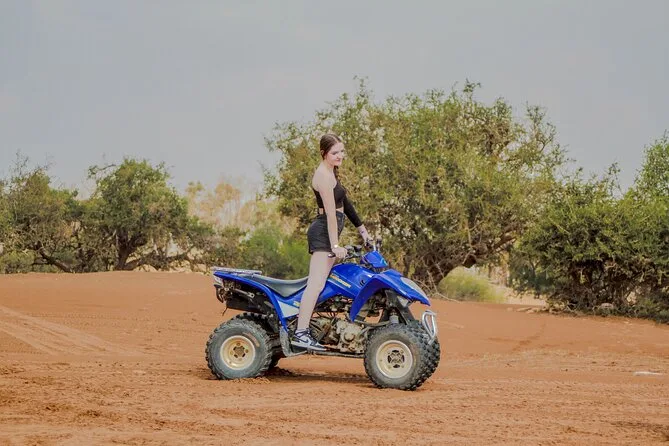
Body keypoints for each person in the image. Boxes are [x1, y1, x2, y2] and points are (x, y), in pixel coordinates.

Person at [291, 133, 371, 351]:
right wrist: (335, 246)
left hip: (330, 232)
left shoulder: (331, 172)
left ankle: (316, 327)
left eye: (342, 151)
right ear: (323, 153)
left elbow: (345, 203)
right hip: (323, 233)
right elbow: (330, 215)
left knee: (326, 283)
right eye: (335, 152)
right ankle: (300, 333)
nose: (340, 156)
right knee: (316, 284)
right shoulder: (322, 176)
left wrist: (362, 230)